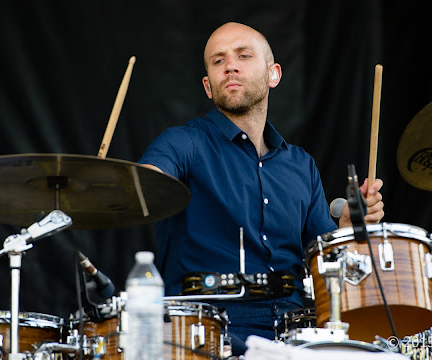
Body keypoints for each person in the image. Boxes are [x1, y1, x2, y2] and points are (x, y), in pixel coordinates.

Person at [138, 22, 384, 355]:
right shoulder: (184, 143)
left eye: (243, 55)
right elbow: (144, 183)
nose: (231, 66)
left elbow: (326, 264)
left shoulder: (300, 164)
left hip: (297, 326)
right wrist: (139, 183)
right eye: (219, 61)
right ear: (208, 86)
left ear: (274, 74)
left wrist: (345, 232)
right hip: (209, 326)